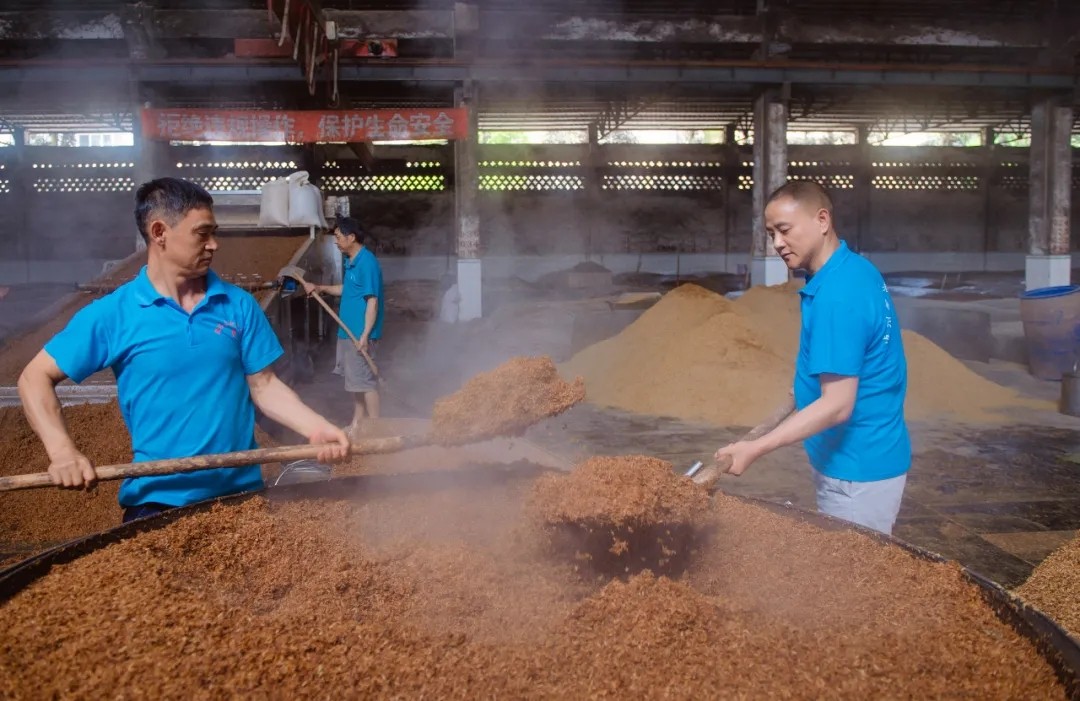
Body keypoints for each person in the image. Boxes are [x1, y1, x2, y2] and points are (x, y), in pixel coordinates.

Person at [17, 177, 350, 523]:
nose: (214, 245)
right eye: (202, 234)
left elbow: (264, 387)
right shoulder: (114, 314)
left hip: (243, 500)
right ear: (159, 232)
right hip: (156, 505)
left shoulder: (237, 304)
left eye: (214, 232)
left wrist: (315, 426)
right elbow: (33, 378)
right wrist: (62, 452)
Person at [715, 180, 911, 535]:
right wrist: (801, 391)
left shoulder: (837, 296)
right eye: (771, 233)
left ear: (822, 220)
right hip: (867, 459)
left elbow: (837, 406)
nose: (777, 244)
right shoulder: (852, 268)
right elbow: (843, 365)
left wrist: (755, 449)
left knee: (850, 579)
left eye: (785, 230)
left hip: (856, 475)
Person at [303, 217, 384, 435]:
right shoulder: (351, 261)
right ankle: (357, 423)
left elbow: (372, 302)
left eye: (338, 237)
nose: (336, 242)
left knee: (366, 383)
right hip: (348, 333)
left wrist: (365, 335)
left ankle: (376, 429)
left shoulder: (367, 263)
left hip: (358, 334)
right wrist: (320, 288)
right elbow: (346, 290)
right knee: (356, 382)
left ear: (352, 237)